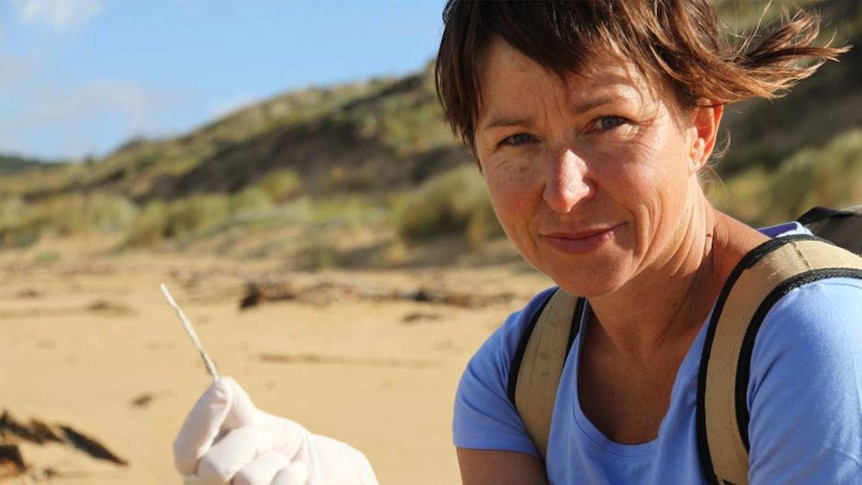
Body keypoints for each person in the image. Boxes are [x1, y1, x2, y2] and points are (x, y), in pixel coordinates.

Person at [172, 1, 862, 484]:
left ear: (699, 128)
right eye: (517, 140)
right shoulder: (512, 377)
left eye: (608, 122)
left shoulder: (810, 342)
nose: (563, 189)